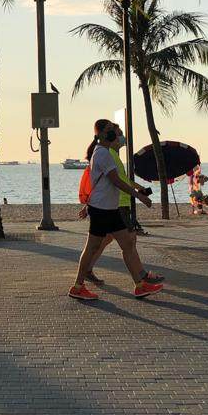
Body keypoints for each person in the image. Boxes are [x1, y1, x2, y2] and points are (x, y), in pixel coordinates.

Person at [69, 119, 164, 301]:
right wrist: (140, 196)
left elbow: (115, 181)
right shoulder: (103, 153)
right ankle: (78, 286)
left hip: (110, 209)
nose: (114, 133)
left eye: (113, 129)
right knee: (92, 246)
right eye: (110, 130)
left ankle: (140, 286)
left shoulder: (104, 152)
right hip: (102, 209)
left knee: (127, 243)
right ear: (100, 134)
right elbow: (116, 180)